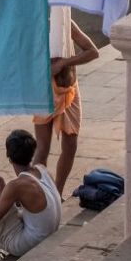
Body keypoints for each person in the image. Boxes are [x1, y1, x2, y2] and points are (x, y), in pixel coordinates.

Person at [0, 129, 61, 257]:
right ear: (32, 152)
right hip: (46, 232)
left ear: (9, 158)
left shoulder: (16, 186)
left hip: (29, 243)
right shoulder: (42, 170)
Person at [33, 20, 99, 198]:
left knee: (70, 145)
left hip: (69, 89)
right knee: (42, 148)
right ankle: (36, 195)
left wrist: (64, 63)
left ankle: (57, 193)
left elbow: (93, 52)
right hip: (44, 89)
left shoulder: (64, 22)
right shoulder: (33, 23)